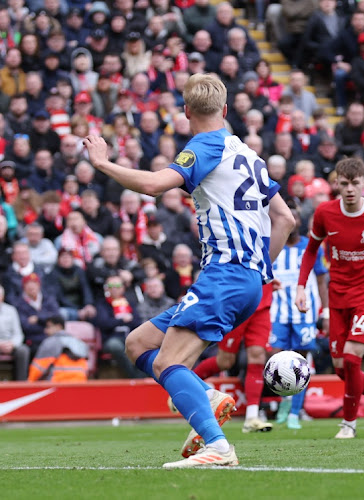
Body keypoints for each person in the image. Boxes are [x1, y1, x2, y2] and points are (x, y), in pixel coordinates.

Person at [82, 74, 296, 468]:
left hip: (225, 275)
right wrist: (260, 269)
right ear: (226, 110)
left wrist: (102, 162)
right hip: (243, 277)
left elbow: (153, 185)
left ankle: (218, 447)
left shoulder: (204, 147)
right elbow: (284, 218)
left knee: (166, 363)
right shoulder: (247, 152)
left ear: (185, 112)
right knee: (138, 344)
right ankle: (207, 396)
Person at [294, 158, 364, 439]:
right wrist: (301, 287)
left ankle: (348, 424)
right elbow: (311, 250)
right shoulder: (325, 213)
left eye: (355, 183)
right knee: (340, 368)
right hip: (337, 295)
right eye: (344, 184)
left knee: (351, 359)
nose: (350, 189)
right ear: (336, 184)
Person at [189, 284, 276, 435]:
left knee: (257, 355)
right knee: (225, 361)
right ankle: (185, 384)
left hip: (262, 303)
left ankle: (252, 417)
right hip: (236, 304)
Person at [271, 205, 328, 430]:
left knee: (300, 362)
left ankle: (295, 410)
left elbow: (322, 281)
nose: (292, 220)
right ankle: (284, 402)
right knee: (276, 359)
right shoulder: (272, 245)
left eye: (295, 216)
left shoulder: (310, 248)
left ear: (299, 221)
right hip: (278, 312)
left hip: (305, 314)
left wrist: (327, 311)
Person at [27, 315, 89, 383]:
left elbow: (37, 370)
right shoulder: (79, 342)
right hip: (80, 383)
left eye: (48, 327)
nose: (45, 330)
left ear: (58, 326)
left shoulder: (50, 342)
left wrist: (29, 384)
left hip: (58, 385)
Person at [0, 284, 30, 381]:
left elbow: (18, 333)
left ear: (3, 297)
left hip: (10, 344)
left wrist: (12, 344)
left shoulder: (11, 310)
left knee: (23, 350)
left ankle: (21, 383)